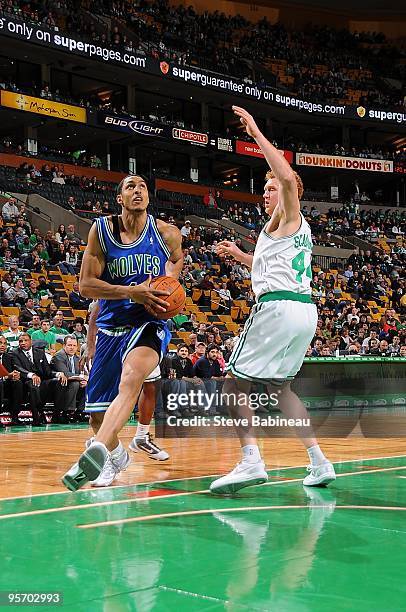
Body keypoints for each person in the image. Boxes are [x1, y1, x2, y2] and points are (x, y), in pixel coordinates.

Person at [209, 106, 335, 494]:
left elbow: (284, 174)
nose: (266, 192)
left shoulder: (289, 212)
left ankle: (251, 461)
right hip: (302, 309)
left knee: (232, 385)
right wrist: (241, 255)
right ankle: (319, 461)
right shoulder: (281, 229)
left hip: (279, 309)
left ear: (288, 189)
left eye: (272, 187)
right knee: (282, 389)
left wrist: (256, 133)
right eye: (263, 189)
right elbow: (274, 267)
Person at [62, 174, 183, 491]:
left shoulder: (167, 234)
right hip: (110, 326)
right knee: (97, 416)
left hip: (148, 323)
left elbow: (176, 260)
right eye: (130, 186)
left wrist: (169, 285)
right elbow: (85, 285)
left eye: (143, 186)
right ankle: (115, 452)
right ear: (120, 198)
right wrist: (132, 291)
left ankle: (96, 454)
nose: (138, 190)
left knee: (132, 379)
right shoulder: (101, 231)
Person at [12, 333, 64, 425]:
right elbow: (18, 368)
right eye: (21, 341)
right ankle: (37, 416)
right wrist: (31, 375)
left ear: (31, 341)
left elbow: (47, 371)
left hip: (42, 380)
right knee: (34, 384)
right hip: (26, 381)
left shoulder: (39, 352)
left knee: (58, 382)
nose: (23, 343)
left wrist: (58, 374)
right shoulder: (15, 353)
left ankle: (57, 414)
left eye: (25, 340)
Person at [51, 336, 87, 421]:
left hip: (74, 384)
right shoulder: (58, 356)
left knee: (87, 385)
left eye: (74, 346)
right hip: (58, 384)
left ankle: (80, 412)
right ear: (64, 346)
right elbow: (66, 374)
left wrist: (86, 380)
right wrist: (82, 377)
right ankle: (67, 412)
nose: (72, 348)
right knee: (75, 384)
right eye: (69, 345)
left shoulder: (77, 358)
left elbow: (84, 373)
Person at [0, 335, 23, 424]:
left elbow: (12, 371)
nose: (2, 346)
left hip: (6, 385)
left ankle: (15, 416)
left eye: (5, 344)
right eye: (0, 343)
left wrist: (15, 375)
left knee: (18, 383)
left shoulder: (8, 357)